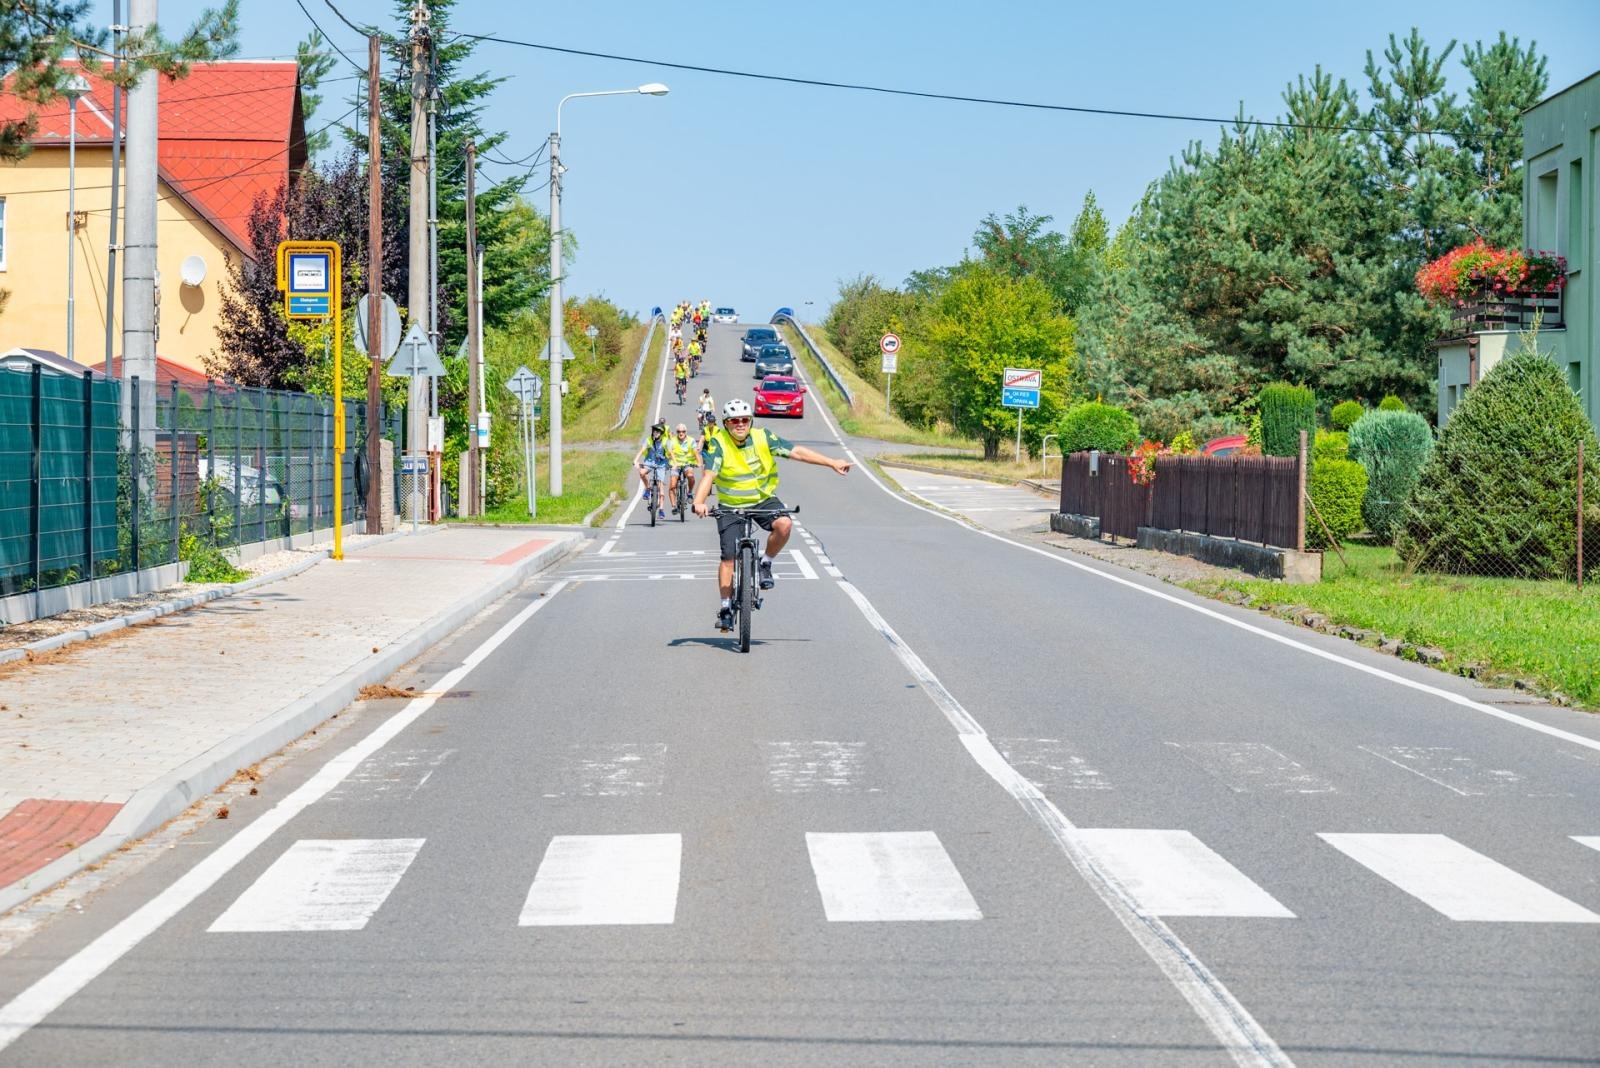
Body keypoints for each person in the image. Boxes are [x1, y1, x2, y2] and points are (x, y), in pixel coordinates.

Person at [693, 399, 851, 631]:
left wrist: (831, 462)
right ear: (726, 424)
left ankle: (765, 563)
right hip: (731, 505)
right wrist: (699, 501)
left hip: (762, 498)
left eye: (744, 420)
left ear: (750, 421)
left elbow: (795, 451)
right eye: (734, 421)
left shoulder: (762, 437)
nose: (740, 424)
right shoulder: (718, 443)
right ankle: (726, 606)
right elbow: (709, 475)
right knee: (728, 559)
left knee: (785, 524)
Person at [635, 421, 672, 521]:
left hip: (661, 464)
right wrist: (636, 460)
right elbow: (642, 450)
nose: (655, 433)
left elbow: (671, 453)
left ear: (661, 433)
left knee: (660, 486)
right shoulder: (649, 440)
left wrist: (674, 463)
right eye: (654, 431)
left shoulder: (666, 441)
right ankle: (647, 488)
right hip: (650, 462)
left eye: (657, 431)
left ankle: (661, 510)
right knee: (641, 472)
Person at [666, 422, 700, 511]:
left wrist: (699, 462)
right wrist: (674, 463)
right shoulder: (672, 441)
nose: (681, 433)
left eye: (683, 431)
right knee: (672, 486)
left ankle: (689, 492)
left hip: (687, 463)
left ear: (686, 432)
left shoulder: (691, 440)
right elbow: (670, 453)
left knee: (690, 476)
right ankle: (674, 506)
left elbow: (695, 452)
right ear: (676, 432)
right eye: (679, 431)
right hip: (675, 464)